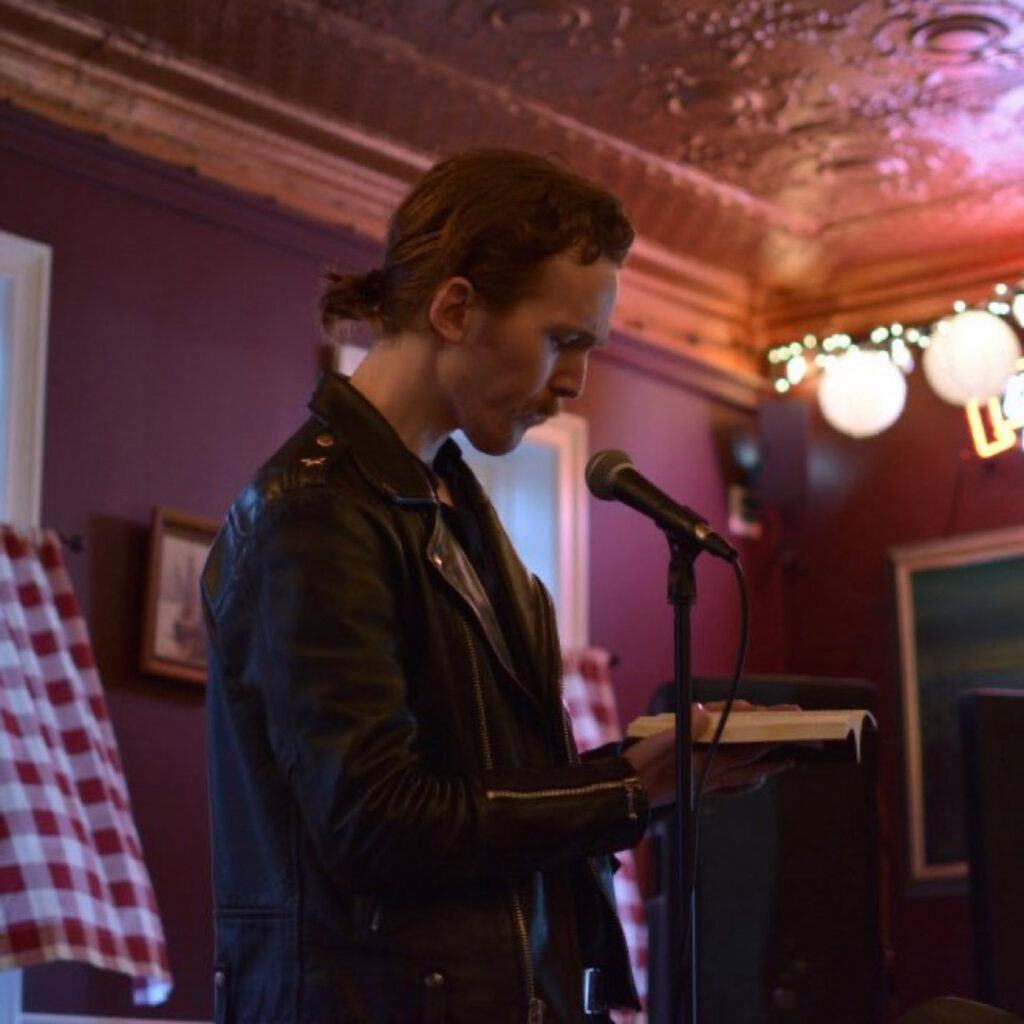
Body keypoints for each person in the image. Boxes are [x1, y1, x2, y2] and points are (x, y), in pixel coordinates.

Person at [202, 149, 783, 1024]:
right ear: (456, 307)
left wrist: (645, 776)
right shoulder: (315, 510)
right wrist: (624, 787)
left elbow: (484, 795)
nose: (575, 380)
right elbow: (379, 823)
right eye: (564, 339)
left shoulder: (453, 509)